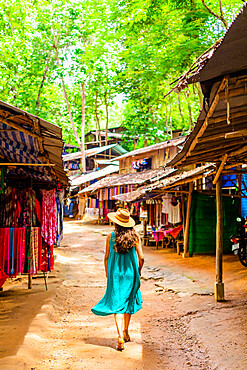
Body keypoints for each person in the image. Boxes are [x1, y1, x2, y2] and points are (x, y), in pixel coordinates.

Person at [91, 208, 144, 351]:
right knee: (128, 302)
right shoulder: (135, 236)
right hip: (131, 274)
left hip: (115, 275)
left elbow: (107, 257)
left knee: (118, 305)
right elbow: (142, 257)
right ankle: (126, 331)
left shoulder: (110, 236)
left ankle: (120, 335)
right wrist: (138, 270)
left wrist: (108, 273)